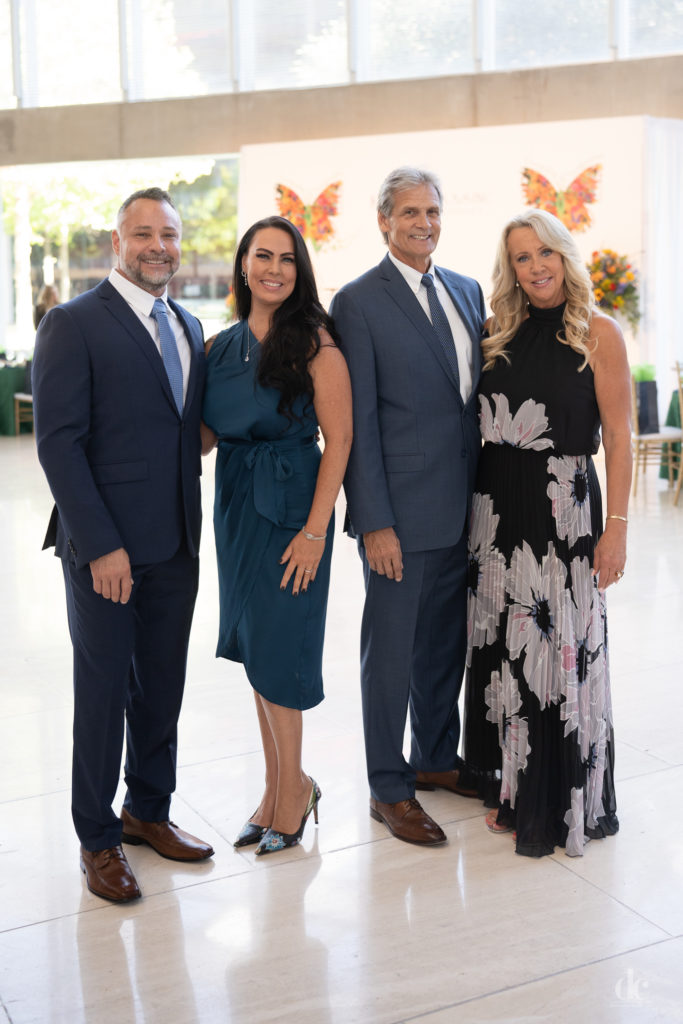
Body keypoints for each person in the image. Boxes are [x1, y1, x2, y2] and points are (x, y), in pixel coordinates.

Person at [32, 187, 213, 903]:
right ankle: (98, 838)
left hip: (174, 541)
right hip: (104, 548)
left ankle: (149, 809)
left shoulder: (192, 326)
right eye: (143, 234)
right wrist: (101, 544)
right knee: (104, 692)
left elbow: (185, 431)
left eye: (168, 234)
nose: (157, 247)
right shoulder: (72, 324)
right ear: (117, 243)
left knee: (162, 687)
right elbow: (59, 445)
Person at [464, 208, 631, 858]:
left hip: (563, 512)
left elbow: (617, 437)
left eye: (544, 253)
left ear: (564, 256)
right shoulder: (492, 333)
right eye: (521, 258)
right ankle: (512, 789)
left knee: (557, 654)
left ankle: (559, 798)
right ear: (510, 269)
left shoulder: (597, 332)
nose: (534, 266)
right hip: (494, 513)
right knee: (506, 656)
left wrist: (614, 527)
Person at [329, 167, 486, 846]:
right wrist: (374, 522)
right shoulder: (358, 302)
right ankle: (387, 787)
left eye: (433, 211)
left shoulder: (466, 289)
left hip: (463, 508)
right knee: (389, 653)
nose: (424, 223)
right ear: (383, 222)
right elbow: (355, 419)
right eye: (410, 212)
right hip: (399, 512)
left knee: (443, 646)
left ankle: (432, 758)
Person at [201, 215, 352, 856]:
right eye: (263, 256)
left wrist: (316, 532)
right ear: (243, 264)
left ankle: (294, 791)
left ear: (299, 270)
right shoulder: (218, 347)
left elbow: (339, 439)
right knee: (253, 648)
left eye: (288, 259)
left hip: (293, 506)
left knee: (280, 648)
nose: (275, 269)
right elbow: (206, 436)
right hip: (235, 503)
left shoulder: (316, 342)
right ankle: (276, 786)